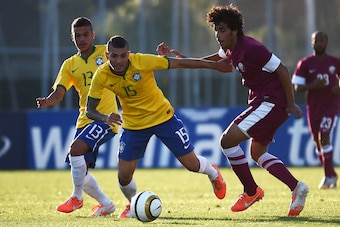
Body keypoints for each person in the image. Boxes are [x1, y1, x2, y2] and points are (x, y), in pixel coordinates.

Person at [159, 4, 309, 216]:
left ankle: (251, 191)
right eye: (216, 30)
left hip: (271, 102)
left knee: (227, 141)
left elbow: (282, 69)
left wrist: (291, 103)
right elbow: (214, 61)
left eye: (221, 30)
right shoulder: (231, 48)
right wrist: (181, 59)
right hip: (264, 102)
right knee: (257, 153)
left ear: (234, 30)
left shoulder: (252, 48)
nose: (217, 35)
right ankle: (297, 187)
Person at [85, 35, 229, 218]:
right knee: (123, 176)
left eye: (123, 56)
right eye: (114, 56)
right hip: (134, 126)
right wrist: (105, 118)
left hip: (163, 118)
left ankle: (213, 173)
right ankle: (133, 204)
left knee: (192, 165)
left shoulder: (143, 61)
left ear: (128, 54)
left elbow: (181, 64)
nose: (119, 60)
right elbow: (90, 110)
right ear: (107, 55)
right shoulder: (102, 74)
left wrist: (215, 66)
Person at [36, 17, 118, 217]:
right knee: (82, 170)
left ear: (93, 35)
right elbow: (59, 92)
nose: (82, 39)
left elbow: (128, 62)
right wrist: (48, 101)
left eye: (85, 35)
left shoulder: (105, 53)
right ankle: (106, 204)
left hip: (105, 119)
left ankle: (76, 197)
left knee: (75, 150)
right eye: (78, 36)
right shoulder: (69, 64)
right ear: (72, 38)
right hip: (84, 120)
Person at [292, 31, 340, 189]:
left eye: (322, 40)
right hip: (313, 107)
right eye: (316, 40)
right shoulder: (305, 64)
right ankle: (331, 174)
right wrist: (313, 86)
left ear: (326, 43)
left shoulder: (335, 62)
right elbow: (297, 87)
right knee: (317, 143)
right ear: (312, 43)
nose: (319, 43)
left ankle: (328, 177)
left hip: (331, 105)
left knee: (324, 136)